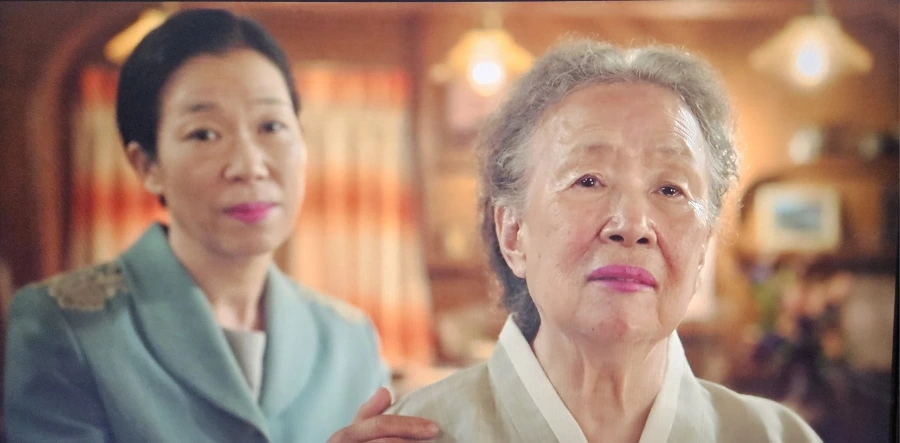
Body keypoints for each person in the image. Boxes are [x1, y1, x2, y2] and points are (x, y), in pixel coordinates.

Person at [4, 9, 437, 443]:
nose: (249, 166)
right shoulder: (62, 324)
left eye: (271, 126)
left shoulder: (347, 338)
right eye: (204, 134)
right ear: (148, 166)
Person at [388, 39, 822, 442]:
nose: (632, 225)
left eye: (670, 189)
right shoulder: (415, 433)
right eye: (588, 180)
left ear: (703, 245)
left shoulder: (778, 437)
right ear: (513, 233)